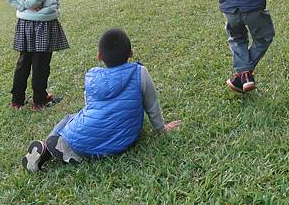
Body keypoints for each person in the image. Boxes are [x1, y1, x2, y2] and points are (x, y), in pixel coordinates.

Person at [21, 28, 181, 172]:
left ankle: (48, 144)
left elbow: (88, 107)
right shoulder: (140, 73)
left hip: (81, 139)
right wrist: (162, 129)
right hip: (124, 141)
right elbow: (152, 106)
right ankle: (57, 148)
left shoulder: (92, 77)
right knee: (75, 126)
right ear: (131, 53)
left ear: (99, 56)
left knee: (70, 118)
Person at [4, 0, 69, 110]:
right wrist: (31, 3)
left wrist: (23, 3)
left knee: (23, 61)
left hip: (24, 22)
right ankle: (40, 100)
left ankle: (17, 100)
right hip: (44, 22)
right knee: (41, 63)